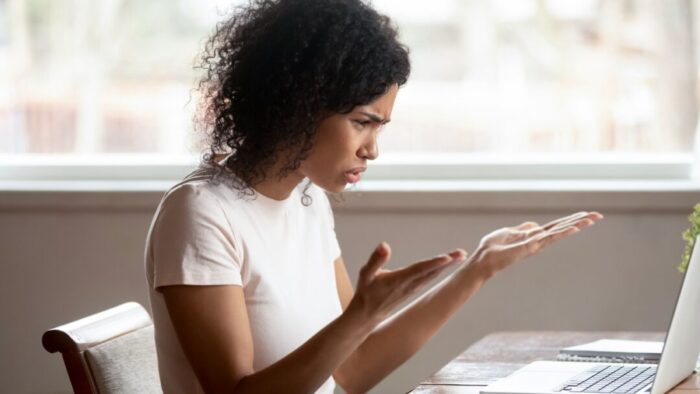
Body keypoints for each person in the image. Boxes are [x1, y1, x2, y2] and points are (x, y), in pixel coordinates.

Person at [144, 0, 604, 393]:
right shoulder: (202, 212)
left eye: (379, 127)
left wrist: (479, 268)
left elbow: (353, 367)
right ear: (297, 104)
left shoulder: (306, 199)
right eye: (362, 122)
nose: (373, 150)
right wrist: (358, 316)